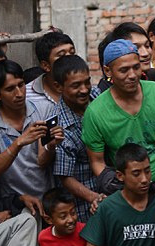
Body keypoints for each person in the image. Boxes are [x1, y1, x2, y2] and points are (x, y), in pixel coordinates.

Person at [82, 40, 155, 195]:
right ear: (108, 71)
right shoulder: (95, 112)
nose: (132, 75)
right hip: (127, 197)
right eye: (124, 70)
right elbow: (97, 162)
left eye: (136, 67)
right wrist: (117, 188)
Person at [0, 59, 54, 201]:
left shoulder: (44, 109)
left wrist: (51, 145)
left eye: (21, 85)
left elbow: (43, 161)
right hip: (16, 204)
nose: (19, 93)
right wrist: (19, 142)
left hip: (49, 199)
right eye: (10, 89)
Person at [50, 55, 102, 224]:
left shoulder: (97, 96)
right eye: (76, 85)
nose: (84, 89)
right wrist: (93, 197)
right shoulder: (60, 127)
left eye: (87, 82)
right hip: (84, 207)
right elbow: (64, 176)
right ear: (58, 87)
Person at [26, 31, 76, 111]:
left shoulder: (85, 90)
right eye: (61, 55)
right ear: (46, 66)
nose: (70, 59)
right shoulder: (26, 96)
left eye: (72, 53)